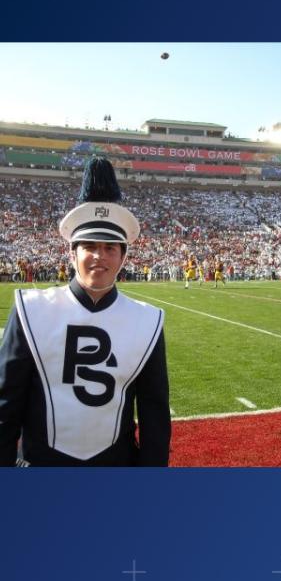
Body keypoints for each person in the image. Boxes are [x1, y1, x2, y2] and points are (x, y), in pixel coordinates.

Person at [0, 157, 170, 466]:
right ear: (72, 252)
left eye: (109, 248)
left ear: (123, 257)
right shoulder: (30, 310)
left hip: (115, 472)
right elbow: (5, 405)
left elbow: (154, 415)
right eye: (89, 246)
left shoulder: (147, 321)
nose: (98, 257)